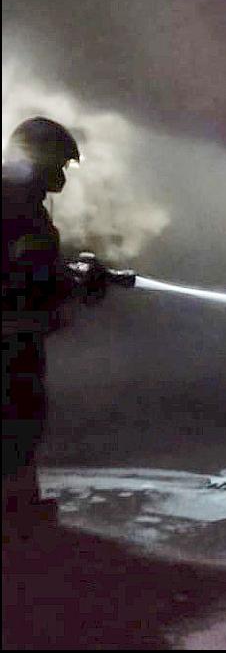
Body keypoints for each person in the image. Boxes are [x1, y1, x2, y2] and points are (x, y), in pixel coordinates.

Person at [3, 117, 109, 540]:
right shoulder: (18, 207)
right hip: (10, 340)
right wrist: (78, 280)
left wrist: (74, 275)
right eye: (60, 164)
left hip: (16, 335)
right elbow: (32, 277)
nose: (62, 175)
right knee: (18, 421)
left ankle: (19, 507)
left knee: (20, 420)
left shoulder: (18, 201)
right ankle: (16, 516)